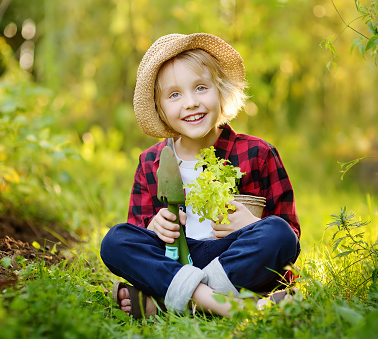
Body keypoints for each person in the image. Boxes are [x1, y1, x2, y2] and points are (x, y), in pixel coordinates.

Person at [100, 33, 300, 318]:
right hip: (176, 260)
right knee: (116, 241)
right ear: (160, 109)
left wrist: (253, 223)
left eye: (201, 88)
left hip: (234, 259)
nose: (191, 103)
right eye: (174, 95)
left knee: (277, 233)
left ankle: (169, 301)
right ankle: (224, 305)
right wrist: (154, 228)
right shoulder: (151, 162)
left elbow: (291, 235)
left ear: (221, 91)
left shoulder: (259, 152)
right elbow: (140, 230)